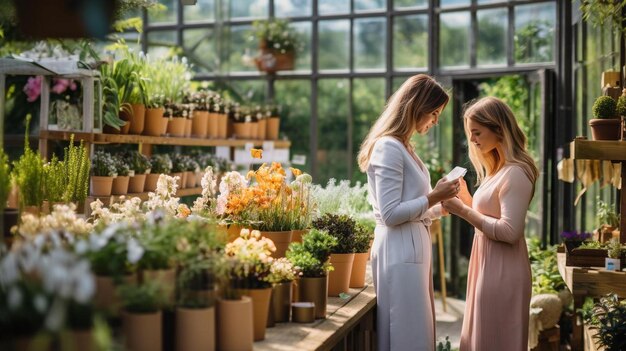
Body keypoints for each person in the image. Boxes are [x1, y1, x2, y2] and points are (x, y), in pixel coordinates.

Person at [357, 74, 461, 351]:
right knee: (406, 333)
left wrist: (440, 208)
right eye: (435, 113)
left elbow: (410, 205)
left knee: (414, 330)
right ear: (416, 107)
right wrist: (434, 196)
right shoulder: (388, 147)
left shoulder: (404, 147)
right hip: (399, 251)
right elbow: (391, 214)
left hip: (410, 250)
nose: (436, 121)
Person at [442, 97, 539, 351]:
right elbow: (490, 219)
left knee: (493, 340)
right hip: (487, 266)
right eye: (470, 133)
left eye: (477, 132)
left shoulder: (516, 172)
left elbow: (509, 231)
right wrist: (467, 200)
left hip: (502, 272)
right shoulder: (500, 169)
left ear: (498, 128)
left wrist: (463, 210)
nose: (472, 140)